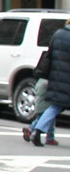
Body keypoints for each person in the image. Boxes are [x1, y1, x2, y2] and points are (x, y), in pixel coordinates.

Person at [31, 19, 70, 147]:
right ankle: (37, 130)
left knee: (55, 106)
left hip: (56, 77)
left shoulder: (58, 34)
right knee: (56, 106)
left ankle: (36, 130)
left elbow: (50, 54)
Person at [23, 77, 57, 145]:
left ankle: (31, 130)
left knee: (44, 117)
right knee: (49, 117)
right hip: (46, 97)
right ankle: (49, 138)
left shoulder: (41, 80)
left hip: (40, 97)